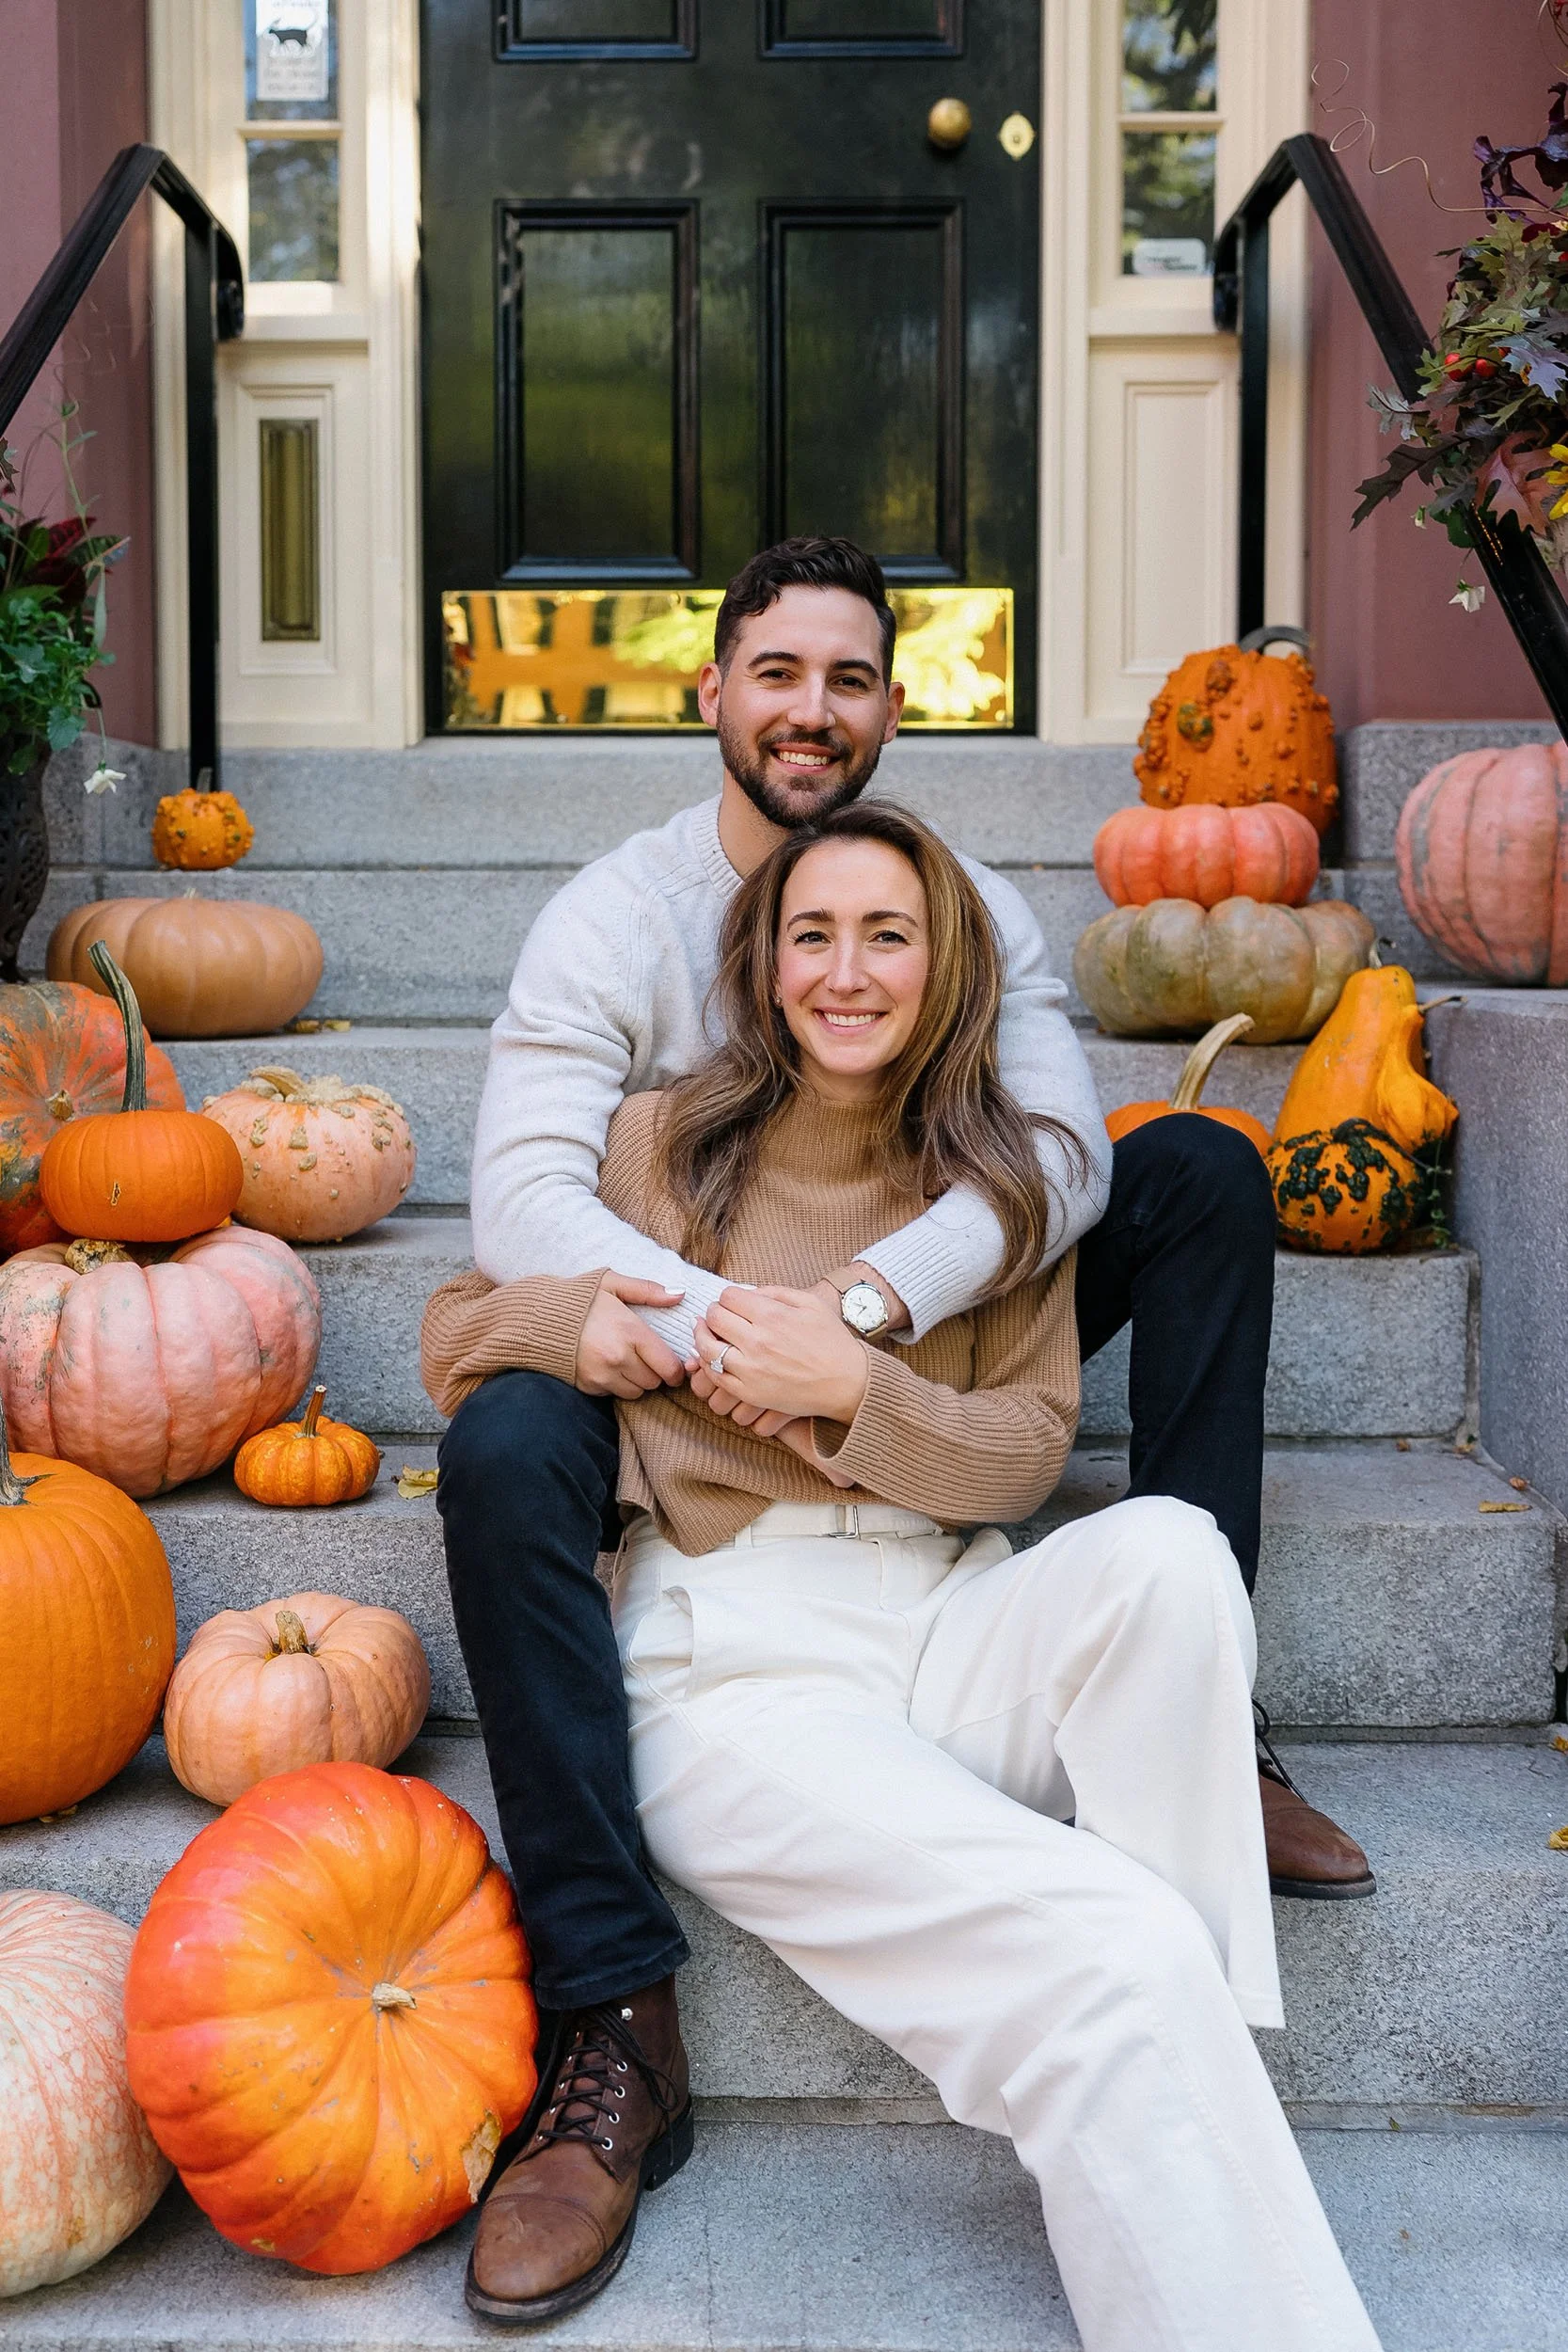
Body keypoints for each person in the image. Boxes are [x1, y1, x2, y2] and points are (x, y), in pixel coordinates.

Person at [431, 535, 1373, 2326]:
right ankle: (613, 2015)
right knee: (505, 1442)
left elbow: (1062, 1189)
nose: (810, 710)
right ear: (711, 692)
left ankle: (1198, 1788)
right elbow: (507, 1236)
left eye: (848, 678)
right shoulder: (627, 983)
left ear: (891, 704)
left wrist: (859, 1339)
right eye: (776, 673)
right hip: (714, 1516)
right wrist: (704, 1338)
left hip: (916, 1472)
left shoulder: (974, 949)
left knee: (1191, 1188)